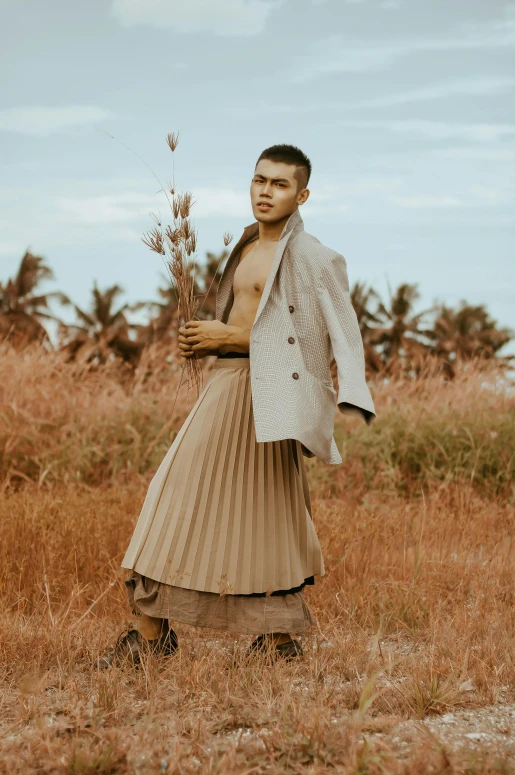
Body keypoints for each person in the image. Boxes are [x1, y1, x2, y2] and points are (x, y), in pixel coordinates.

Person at [96, 144, 375, 669]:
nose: (266, 192)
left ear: (303, 194)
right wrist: (209, 340)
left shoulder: (314, 257)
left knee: (265, 515)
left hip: (269, 396)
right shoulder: (247, 245)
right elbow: (248, 324)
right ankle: (159, 636)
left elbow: (325, 338)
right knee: (173, 497)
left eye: (280, 184)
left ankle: (270, 642)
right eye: (259, 180)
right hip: (226, 388)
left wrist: (229, 337)